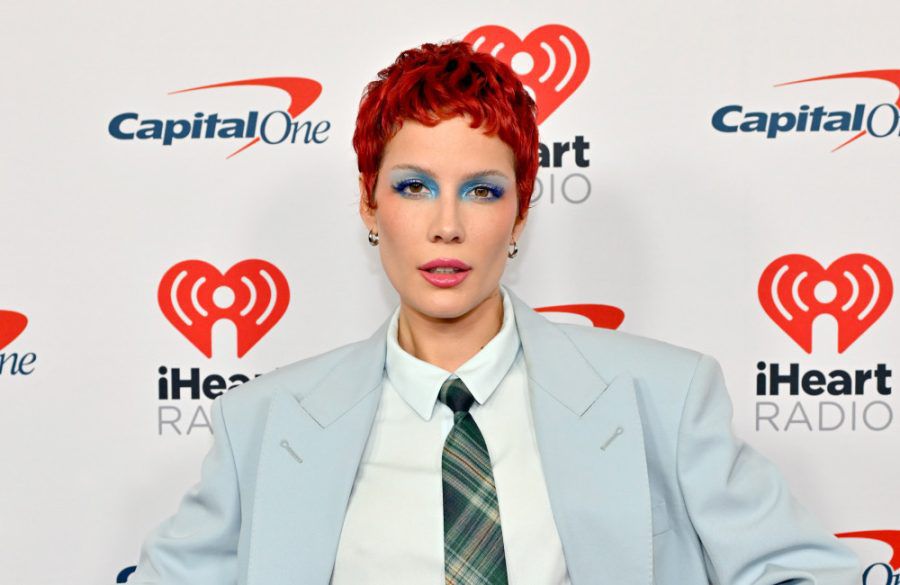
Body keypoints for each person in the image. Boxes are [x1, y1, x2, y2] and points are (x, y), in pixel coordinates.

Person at [129, 40, 862, 585]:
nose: (446, 225)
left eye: (481, 190)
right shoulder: (265, 421)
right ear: (369, 203)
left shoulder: (663, 397)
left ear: (519, 215)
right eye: (414, 186)